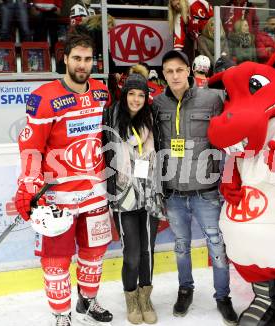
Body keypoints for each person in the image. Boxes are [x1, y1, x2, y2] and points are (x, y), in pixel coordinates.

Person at [14, 29, 113, 326]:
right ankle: (61, 315)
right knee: (56, 262)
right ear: (66, 59)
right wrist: (29, 189)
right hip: (58, 197)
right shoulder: (44, 98)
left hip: (95, 190)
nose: (83, 65)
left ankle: (89, 299)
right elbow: (31, 148)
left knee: (94, 254)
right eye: (77, 59)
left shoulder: (101, 92)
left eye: (88, 59)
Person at [152, 49, 238, 325]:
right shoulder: (157, 104)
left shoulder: (212, 99)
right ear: (163, 75)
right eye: (169, 71)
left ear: (189, 70)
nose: (174, 75)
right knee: (180, 246)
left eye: (179, 69)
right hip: (174, 192)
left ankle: (223, 297)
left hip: (206, 192)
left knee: (217, 246)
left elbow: (234, 126)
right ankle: (185, 289)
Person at [103, 73, 164, 325]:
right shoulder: (112, 117)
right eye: (132, 94)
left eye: (141, 95)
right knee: (132, 254)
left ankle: (145, 297)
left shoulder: (152, 119)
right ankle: (131, 297)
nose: (136, 99)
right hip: (123, 194)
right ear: (124, 95)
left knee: (148, 251)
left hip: (149, 192)